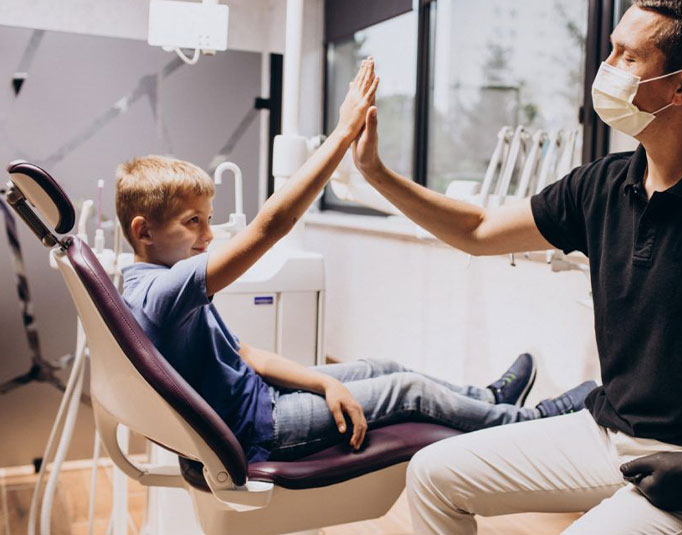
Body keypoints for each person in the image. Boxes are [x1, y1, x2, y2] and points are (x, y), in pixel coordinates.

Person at [351, 1, 682, 533]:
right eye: (610, 48)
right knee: (433, 474)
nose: (604, 67)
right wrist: (375, 173)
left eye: (627, 57)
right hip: (614, 435)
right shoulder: (602, 185)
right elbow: (476, 229)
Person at [115, 59, 595, 464]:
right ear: (144, 231)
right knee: (409, 391)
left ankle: (487, 401)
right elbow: (270, 226)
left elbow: (244, 355)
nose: (208, 234)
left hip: (262, 400)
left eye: (208, 219)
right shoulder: (161, 292)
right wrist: (343, 133)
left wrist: (324, 381)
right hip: (261, 426)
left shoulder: (156, 282)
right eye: (192, 222)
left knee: (380, 365)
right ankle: (530, 422)